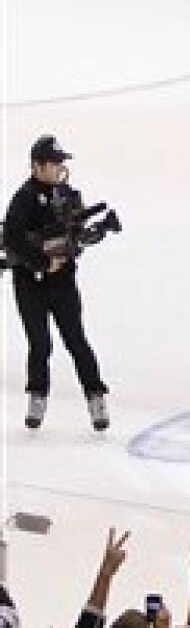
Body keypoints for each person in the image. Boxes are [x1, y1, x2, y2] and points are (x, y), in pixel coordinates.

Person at [3, 135, 110, 433]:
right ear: (36, 166)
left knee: (76, 339)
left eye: (61, 162)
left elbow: (74, 234)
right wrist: (41, 261)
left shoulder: (68, 194)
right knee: (40, 343)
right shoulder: (23, 199)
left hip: (62, 281)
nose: (59, 167)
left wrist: (87, 237)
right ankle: (37, 396)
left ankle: (96, 395)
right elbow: (11, 239)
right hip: (30, 283)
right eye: (53, 162)